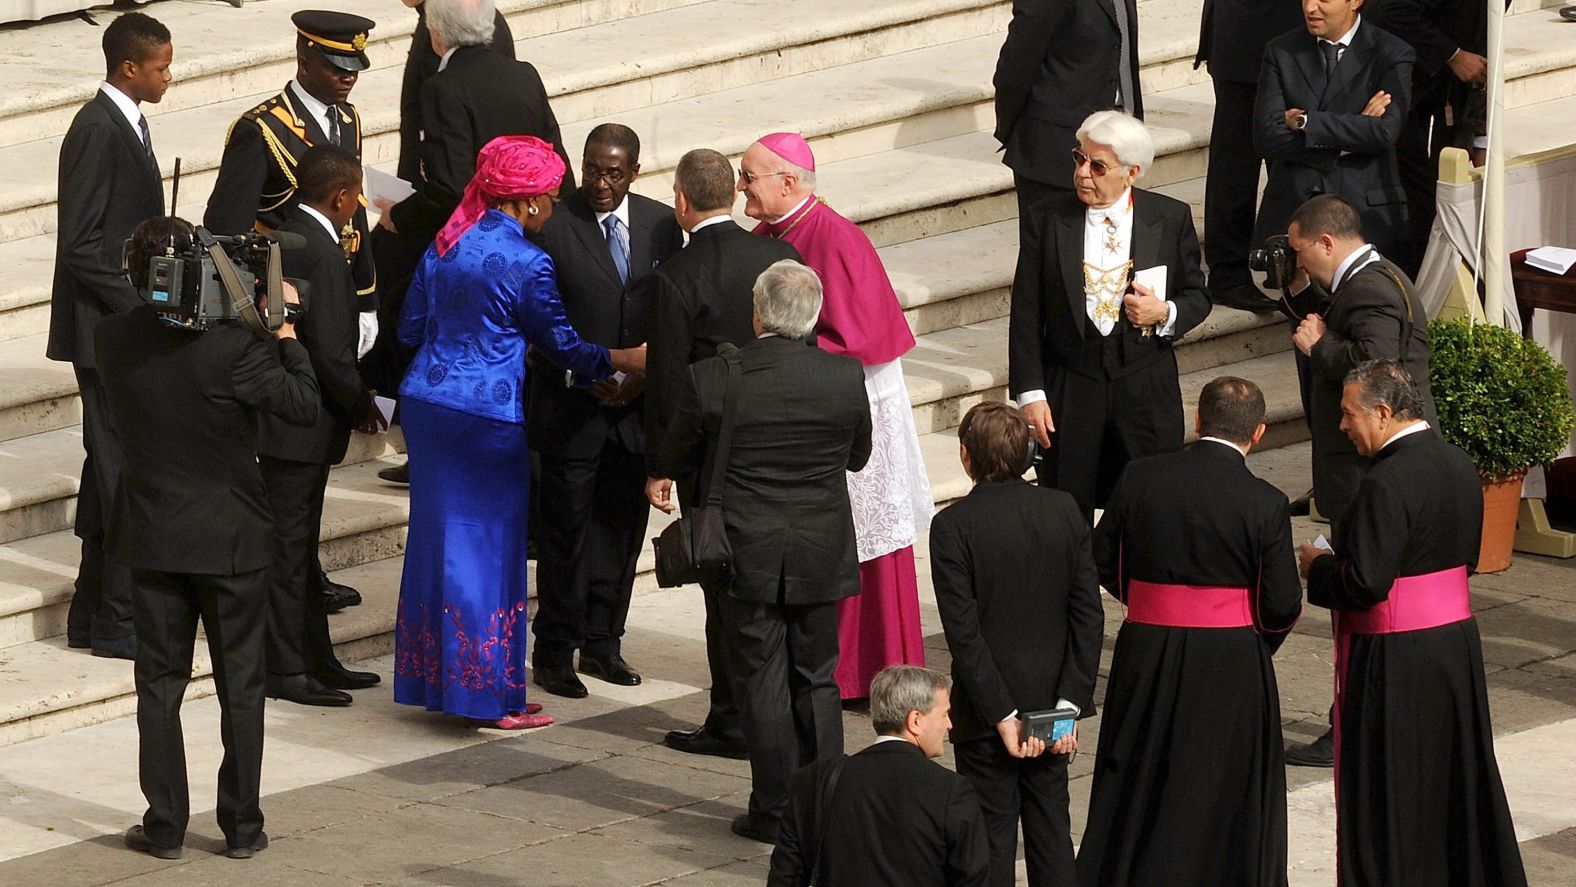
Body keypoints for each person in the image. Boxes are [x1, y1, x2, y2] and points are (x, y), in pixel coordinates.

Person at [391, 136, 645, 729]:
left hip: (428, 405)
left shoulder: (447, 242)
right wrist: (624, 359)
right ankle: (483, 693)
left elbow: (409, 327)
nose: (555, 208)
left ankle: (444, 680)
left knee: (438, 541)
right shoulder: (529, 262)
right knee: (486, 547)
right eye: (551, 198)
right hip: (485, 415)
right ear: (529, 203)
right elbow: (562, 345)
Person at [101, 217, 319, 861]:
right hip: (231, 541)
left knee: (159, 685)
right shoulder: (235, 347)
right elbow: (303, 404)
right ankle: (242, 828)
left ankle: (164, 825)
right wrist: (283, 331)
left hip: (155, 537)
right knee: (241, 687)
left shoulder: (111, 337)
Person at [651, 260, 871, 844]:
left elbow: (678, 448)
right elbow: (858, 457)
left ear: (757, 313)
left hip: (745, 551)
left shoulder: (715, 377)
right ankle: (824, 806)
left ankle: (775, 810)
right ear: (815, 316)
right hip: (820, 548)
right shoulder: (845, 379)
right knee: (817, 679)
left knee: (762, 681)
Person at [1298, 360, 1527, 887]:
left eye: (1348, 414)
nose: (1342, 426)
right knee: (1451, 777)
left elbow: (1366, 584)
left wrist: (1320, 567)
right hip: (1454, 647)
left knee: (1392, 785)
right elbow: (1466, 559)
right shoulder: (1457, 462)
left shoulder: (1384, 481)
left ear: (1382, 413)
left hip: (1396, 658)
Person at [1079, 376, 1302, 887]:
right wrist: (1251, 640)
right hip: (1231, 660)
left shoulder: (1139, 477)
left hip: (1146, 650)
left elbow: (1102, 559)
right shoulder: (1265, 501)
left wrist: (1150, 604)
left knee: (1137, 772)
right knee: (1222, 788)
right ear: (1259, 433)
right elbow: (1283, 603)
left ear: (1197, 420)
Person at [738, 132, 932, 700]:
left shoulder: (835, 238)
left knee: (864, 536)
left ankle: (863, 667)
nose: (740, 186)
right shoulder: (775, 233)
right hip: (813, 400)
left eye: (749, 176)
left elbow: (858, 336)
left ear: (788, 182)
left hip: (854, 402)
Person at [204, 10, 380, 615]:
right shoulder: (262, 130)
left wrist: (366, 297)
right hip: (285, 324)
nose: (347, 78)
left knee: (314, 469)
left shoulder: (347, 120)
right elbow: (224, 231)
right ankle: (288, 582)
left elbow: (350, 217)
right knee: (290, 474)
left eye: (354, 66)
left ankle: (306, 572)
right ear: (304, 57)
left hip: (333, 308)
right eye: (336, 65)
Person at [643, 148, 800, 760]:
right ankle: (773, 710)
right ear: (734, 194)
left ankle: (731, 718)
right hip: (781, 439)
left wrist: (659, 464)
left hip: (713, 457)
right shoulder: (778, 255)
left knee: (722, 590)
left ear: (681, 200)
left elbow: (669, 383)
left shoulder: (677, 276)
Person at [528, 124, 683, 698]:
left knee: (620, 532)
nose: (600, 182)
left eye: (613, 172)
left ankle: (603, 643)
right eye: (592, 169)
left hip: (633, 413)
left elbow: (672, 313)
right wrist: (592, 370)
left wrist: (640, 381)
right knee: (565, 534)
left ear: (634, 173)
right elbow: (542, 320)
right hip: (572, 405)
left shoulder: (660, 223)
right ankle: (554, 651)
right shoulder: (554, 224)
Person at [929, 401, 1102, 887]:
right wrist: (1067, 706)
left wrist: (1002, 716)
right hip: (1053, 705)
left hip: (986, 714)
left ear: (966, 457)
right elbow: (1088, 616)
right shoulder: (1064, 510)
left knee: (989, 840)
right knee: (1052, 834)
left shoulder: (953, 527)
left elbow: (964, 635)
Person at [1007, 110, 1211, 521]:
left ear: (1131, 172)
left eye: (1098, 166)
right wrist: (1031, 394)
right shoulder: (1046, 219)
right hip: (1072, 379)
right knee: (1066, 501)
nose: (1083, 172)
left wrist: (1165, 311)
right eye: (1079, 159)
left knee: (1152, 499)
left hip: (1143, 381)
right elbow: (1026, 311)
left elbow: (1198, 296)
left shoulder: (1169, 218)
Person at [47, 11, 172, 661]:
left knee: (110, 468)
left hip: (117, 329)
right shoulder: (96, 130)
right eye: (160, 68)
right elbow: (82, 246)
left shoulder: (130, 122)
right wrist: (146, 305)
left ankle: (90, 611)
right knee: (124, 473)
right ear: (130, 67)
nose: (168, 77)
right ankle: (117, 619)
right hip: (104, 334)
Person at [256, 146, 386, 708]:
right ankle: (286, 669)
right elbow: (334, 356)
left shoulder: (286, 236)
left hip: (290, 419)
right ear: (342, 198)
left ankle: (316, 658)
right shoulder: (326, 256)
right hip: (301, 425)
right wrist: (363, 407)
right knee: (289, 551)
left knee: (301, 549)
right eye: (355, 196)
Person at [364, 0, 516, 448]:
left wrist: (409, 211)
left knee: (402, 309)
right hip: (422, 197)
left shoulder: (463, 26)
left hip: (447, 215)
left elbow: (467, 143)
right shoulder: (439, 17)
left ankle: (402, 423)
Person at [379, 0, 573, 254]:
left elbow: (451, 189)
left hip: (480, 244)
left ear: (435, 32)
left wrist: (399, 215)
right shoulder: (525, 74)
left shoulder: (442, 89)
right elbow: (555, 156)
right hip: (532, 229)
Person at [767, 665, 990, 886]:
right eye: (944, 714)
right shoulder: (951, 791)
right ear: (915, 721)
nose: (949, 724)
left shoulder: (815, 780)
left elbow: (785, 876)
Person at [1251, 0, 1414, 261]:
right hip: (1294, 209)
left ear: (1355, 2)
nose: (1310, 8)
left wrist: (1307, 122)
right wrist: (1355, 131)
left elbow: (1385, 132)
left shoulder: (1390, 52)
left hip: (1363, 211)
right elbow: (1267, 137)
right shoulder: (1281, 51)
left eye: (1324, 0)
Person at [1365, 0, 1495, 276]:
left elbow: (1488, 27)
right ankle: (1410, 273)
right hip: (1400, 77)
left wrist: (1481, 134)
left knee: (1448, 178)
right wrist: (1454, 54)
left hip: (1454, 87)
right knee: (1410, 179)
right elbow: (1392, 9)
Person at [1195, 0, 1305, 312]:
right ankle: (1228, 274)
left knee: (1291, 165)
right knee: (1235, 164)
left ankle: (1286, 267)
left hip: (1294, 37)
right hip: (1248, 39)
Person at [993, 0, 1143, 217]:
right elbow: (1015, 68)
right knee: (1050, 248)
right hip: (1055, 156)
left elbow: (1122, 52)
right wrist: (1021, 131)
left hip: (1117, 149)